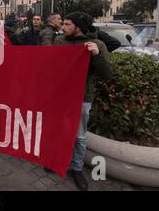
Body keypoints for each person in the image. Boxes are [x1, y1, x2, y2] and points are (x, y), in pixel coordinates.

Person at [55, 12, 113, 191]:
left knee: (79, 136)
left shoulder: (97, 45)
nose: (62, 27)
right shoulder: (60, 41)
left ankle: (76, 168)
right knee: (59, 130)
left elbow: (107, 74)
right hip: (60, 96)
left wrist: (96, 55)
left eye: (67, 24)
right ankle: (55, 160)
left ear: (78, 27)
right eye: (62, 24)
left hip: (82, 97)